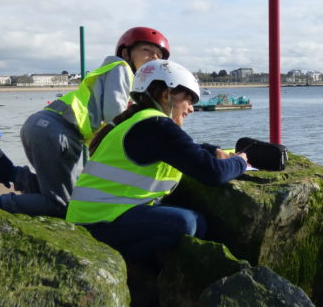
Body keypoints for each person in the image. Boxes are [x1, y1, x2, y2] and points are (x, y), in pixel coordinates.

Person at [0, 26, 171, 217]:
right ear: (126, 52)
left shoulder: (121, 77)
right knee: (60, 205)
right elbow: (114, 114)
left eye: (159, 55)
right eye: (147, 50)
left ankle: (7, 171)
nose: (153, 57)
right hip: (58, 132)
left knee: (56, 192)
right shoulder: (121, 68)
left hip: (43, 125)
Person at [65, 59, 247, 262]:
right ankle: (118, 263)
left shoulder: (140, 121)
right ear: (165, 94)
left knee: (193, 222)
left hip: (95, 216)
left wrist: (214, 150)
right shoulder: (157, 125)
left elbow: (186, 149)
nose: (191, 109)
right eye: (188, 99)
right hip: (98, 224)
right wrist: (241, 162)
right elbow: (213, 173)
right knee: (189, 223)